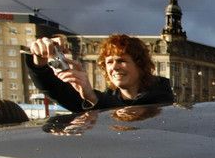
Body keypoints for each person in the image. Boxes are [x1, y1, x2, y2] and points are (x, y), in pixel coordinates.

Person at [26, 34, 174, 112]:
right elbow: (59, 92)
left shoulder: (161, 93)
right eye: (109, 62)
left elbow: (135, 115)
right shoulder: (108, 97)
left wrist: (92, 96)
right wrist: (39, 63)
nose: (114, 67)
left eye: (121, 60)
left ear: (140, 65)